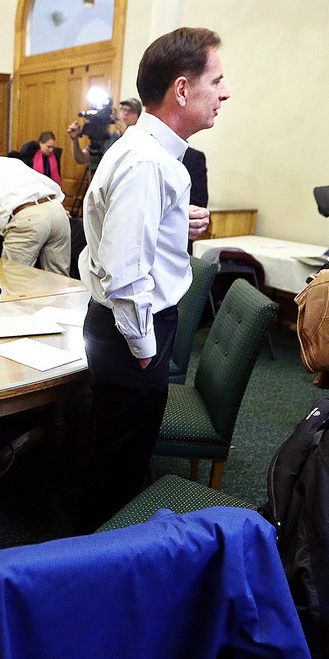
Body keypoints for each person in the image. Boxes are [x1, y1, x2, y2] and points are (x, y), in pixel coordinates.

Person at [77, 27, 229, 531]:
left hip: (127, 328)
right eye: (217, 80)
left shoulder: (147, 151)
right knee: (117, 472)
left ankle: (102, 556)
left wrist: (173, 219)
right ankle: (98, 573)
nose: (225, 93)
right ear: (182, 90)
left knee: (118, 455)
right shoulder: (147, 161)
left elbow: (116, 230)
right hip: (133, 331)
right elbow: (123, 272)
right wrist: (144, 345)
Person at [0, 139, 71, 275]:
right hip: (56, 211)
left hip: (28, 218)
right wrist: (58, 203)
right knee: (59, 279)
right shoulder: (9, 161)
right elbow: (51, 185)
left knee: (14, 281)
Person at [67, 96, 141, 165]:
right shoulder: (108, 137)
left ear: (138, 117)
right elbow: (81, 159)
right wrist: (75, 139)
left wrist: (125, 134)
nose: (125, 113)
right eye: (123, 109)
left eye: (131, 111)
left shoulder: (142, 139)